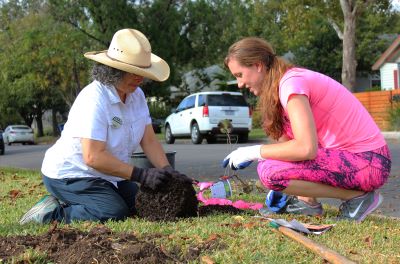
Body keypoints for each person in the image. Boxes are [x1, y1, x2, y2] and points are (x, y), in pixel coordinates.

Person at [19, 28, 192, 225]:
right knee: (112, 212)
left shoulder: (137, 96)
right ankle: (49, 213)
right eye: (134, 72)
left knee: (140, 205)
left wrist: (167, 169)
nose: (141, 78)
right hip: (72, 174)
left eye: (143, 72)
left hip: (109, 174)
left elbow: (149, 140)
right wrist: (141, 174)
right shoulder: (94, 98)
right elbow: (93, 156)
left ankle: (88, 199)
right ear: (113, 70)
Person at [222, 37, 391, 222]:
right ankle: (307, 203)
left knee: (269, 171)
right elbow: (288, 145)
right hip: (358, 159)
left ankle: (356, 198)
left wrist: (254, 152)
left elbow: (306, 149)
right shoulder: (281, 86)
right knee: (273, 166)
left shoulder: (291, 84)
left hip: (369, 162)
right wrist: (289, 188)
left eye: (239, 75)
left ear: (257, 65)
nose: (239, 84)